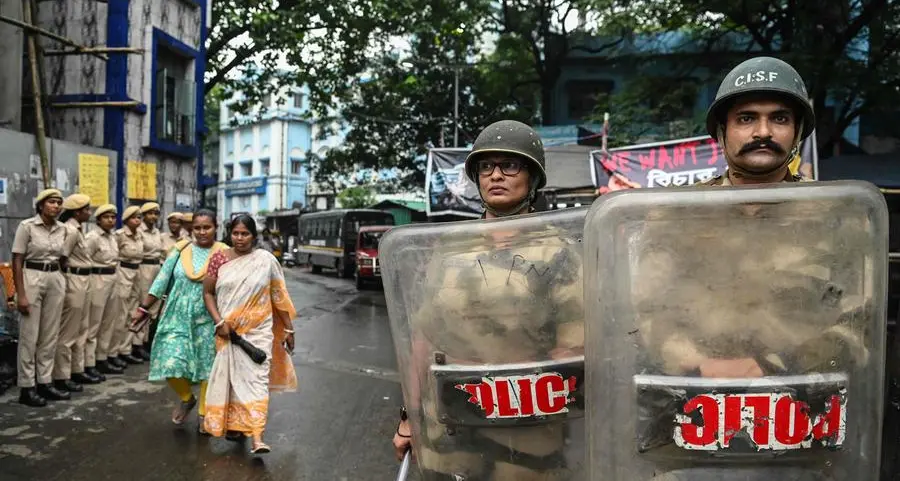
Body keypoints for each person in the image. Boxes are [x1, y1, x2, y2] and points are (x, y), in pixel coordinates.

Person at [390, 120, 584, 479]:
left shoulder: (560, 252)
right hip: (450, 429)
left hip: (527, 432)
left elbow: (574, 356)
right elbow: (423, 340)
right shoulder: (451, 247)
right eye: (486, 166)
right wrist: (410, 417)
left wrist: (496, 374)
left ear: (533, 177)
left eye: (510, 165)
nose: (496, 175)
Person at [202, 214, 298, 454]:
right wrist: (219, 321)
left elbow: (279, 296)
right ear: (230, 234)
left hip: (259, 332)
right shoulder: (218, 259)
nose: (240, 238)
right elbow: (208, 294)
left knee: (256, 381)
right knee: (233, 381)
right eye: (236, 233)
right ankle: (235, 426)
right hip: (228, 332)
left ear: (254, 235)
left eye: (245, 233)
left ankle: (257, 437)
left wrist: (288, 328)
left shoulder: (265, 260)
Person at [130, 209, 227, 431]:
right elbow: (161, 280)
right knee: (169, 361)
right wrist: (144, 308)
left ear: (216, 228)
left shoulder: (224, 253)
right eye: (197, 228)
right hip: (177, 314)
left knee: (206, 366)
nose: (202, 232)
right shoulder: (180, 250)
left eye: (207, 227)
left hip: (209, 315)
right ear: (191, 229)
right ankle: (186, 398)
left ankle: (204, 413)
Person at [699, 56, 815, 187]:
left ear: (797, 131)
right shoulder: (685, 204)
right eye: (746, 119)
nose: (763, 132)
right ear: (722, 131)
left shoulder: (829, 204)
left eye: (779, 119)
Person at [12, 188, 70, 406]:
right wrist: (21, 294)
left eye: (58, 203)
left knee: (50, 333)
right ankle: (27, 387)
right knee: (30, 335)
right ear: (41, 205)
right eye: (51, 202)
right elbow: (17, 259)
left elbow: (62, 257)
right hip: (32, 276)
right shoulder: (27, 227)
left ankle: (45, 382)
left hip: (54, 276)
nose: (55, 206)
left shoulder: (62, 229)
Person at [52, 194, 100, 392]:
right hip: (75, 279)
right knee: (69, 331)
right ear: (77, 212)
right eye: (87, 210)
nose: (89, 213)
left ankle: (77, 369)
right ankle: (62, 375)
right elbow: (62, 258)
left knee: (82, 328)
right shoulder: (71, 230)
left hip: (85, 279)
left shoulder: (77, 229)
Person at [107, 205, 144, 369]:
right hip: (123, 272)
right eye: (134, 217)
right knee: (120, 315)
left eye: (139, 217)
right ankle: (114, 352)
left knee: (133, 312)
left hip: (137, 272)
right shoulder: (119, 235)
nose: (138, 220)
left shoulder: (140, 235)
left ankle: (126, 349)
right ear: (127, 220)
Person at [85, 204, 119, 378]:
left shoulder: (113, 237)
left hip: (112, 278)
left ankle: (102, 358)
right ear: (98, 220)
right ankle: (88, 363)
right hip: (97, 279)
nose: (111, 220)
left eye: (113, 217)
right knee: (94, 323)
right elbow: (85, 259)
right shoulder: (92, 237)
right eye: (106, 217)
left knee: (108, 321)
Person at [133, 202, 164, 359]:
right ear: (143, 215)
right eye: (150, 213)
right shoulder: (139, 232)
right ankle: (137, 344)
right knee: (143, 305)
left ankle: (148, 341)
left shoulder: (157, 232)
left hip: (156, 268)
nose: (153, 217)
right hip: (144, 268)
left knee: (155, 307)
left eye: (156, 213)